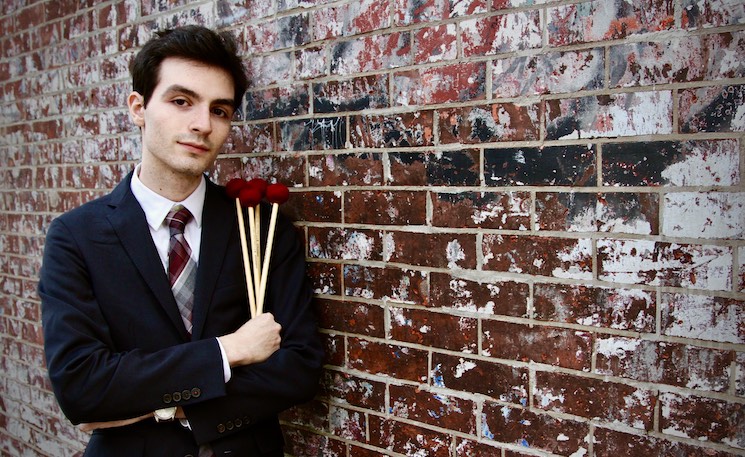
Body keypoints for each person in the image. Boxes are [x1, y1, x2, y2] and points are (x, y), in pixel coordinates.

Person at [39, 25, 324, 457]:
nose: (202, 124)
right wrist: (228, 351)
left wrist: (166, 408)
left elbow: (299, 367)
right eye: (181, 101)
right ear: (138, 107)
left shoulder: (260, 226)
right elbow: (82, 387)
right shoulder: (76, 237)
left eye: (220, 110)